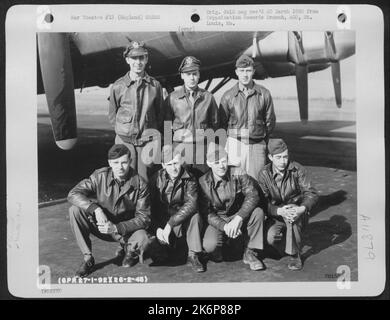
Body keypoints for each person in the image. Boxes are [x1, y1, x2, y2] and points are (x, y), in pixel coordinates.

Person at [68, 144, 152, 277]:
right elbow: (73, 193)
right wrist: (95, 209)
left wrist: (116, 227)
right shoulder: (99, 176)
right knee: (75, 210)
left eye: (124, 162)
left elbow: (144, 218)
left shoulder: (141, 184)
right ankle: (88, 259)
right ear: (109, 163)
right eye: (116, 162)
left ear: (130, 161)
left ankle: (129, 250)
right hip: (102, 225)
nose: (120, 166)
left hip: (125, 231)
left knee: (143, 238)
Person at [199, 142, 266, 271]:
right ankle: (226, 244)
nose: (221, 166)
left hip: (237, 214)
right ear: (209, 163)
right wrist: (225, 226)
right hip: (219, 219)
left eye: (224, 161)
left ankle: (251, 252)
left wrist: (238, 218)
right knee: (210, 246)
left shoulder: (238, 172)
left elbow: (253, 195)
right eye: (216, 162)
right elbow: (206, 212)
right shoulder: (203, 182)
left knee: (258, 212)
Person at [257, 138, 319, 270]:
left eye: (285, 157)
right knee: (271, 238)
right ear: (270, 157)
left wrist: (301, 209)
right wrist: (278, 211)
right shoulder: (264, 174)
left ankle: (296, 255)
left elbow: (311, 193)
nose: (283, 161)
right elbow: (263, 202)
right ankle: (287, 242)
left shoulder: (298, 170)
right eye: (278, 157)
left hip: (296, 212)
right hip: (277, 214)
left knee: (292, 217)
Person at [108, 41, 164, 182]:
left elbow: (160, 115)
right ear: (127, 60)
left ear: (146, 59)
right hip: (125, 140)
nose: (138, 62)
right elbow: (113, 116)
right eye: (134, 58)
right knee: (125, 177)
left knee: (146, 179)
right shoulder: (118, 86)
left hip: (147, 141)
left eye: (141, 58)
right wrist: (124, 132)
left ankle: (145, 204)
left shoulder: (155, 86)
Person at [219, 54, 276, 179]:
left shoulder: (264, 94)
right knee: (235, 182)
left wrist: (261, 141)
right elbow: (221, 124)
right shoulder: (228, 96)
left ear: (253, 71)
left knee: (259, 181)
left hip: (257, 144)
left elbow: (270, 121)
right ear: (236, 72)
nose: (245, 74)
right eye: (242, 71)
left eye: (248, 71)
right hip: (235, 143)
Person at [149, 144, 204, 272]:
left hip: (179, 221)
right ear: (163, 165)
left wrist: (170, 224)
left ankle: (194, 255)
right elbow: (148, 207)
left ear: (181, 162)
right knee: (160, 255)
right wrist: (157, 228)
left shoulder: (190, 178)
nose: (173, 168)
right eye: (169, 164)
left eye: (176, 163)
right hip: (161, 221)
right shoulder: (155, 179)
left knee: (195, 215)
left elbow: (192, 204)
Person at [164, 56, 219, 177]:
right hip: (180, 148)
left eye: (194, 73)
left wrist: (212, 147)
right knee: (182, 182)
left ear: (199, 75)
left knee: (202, 183)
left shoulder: (208, 97)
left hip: (202, 147)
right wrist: (168, 149)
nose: (192, 77)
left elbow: (215, 125)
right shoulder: (172, 98)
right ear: (182, 76)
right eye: (188, 74)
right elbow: (166, 126)